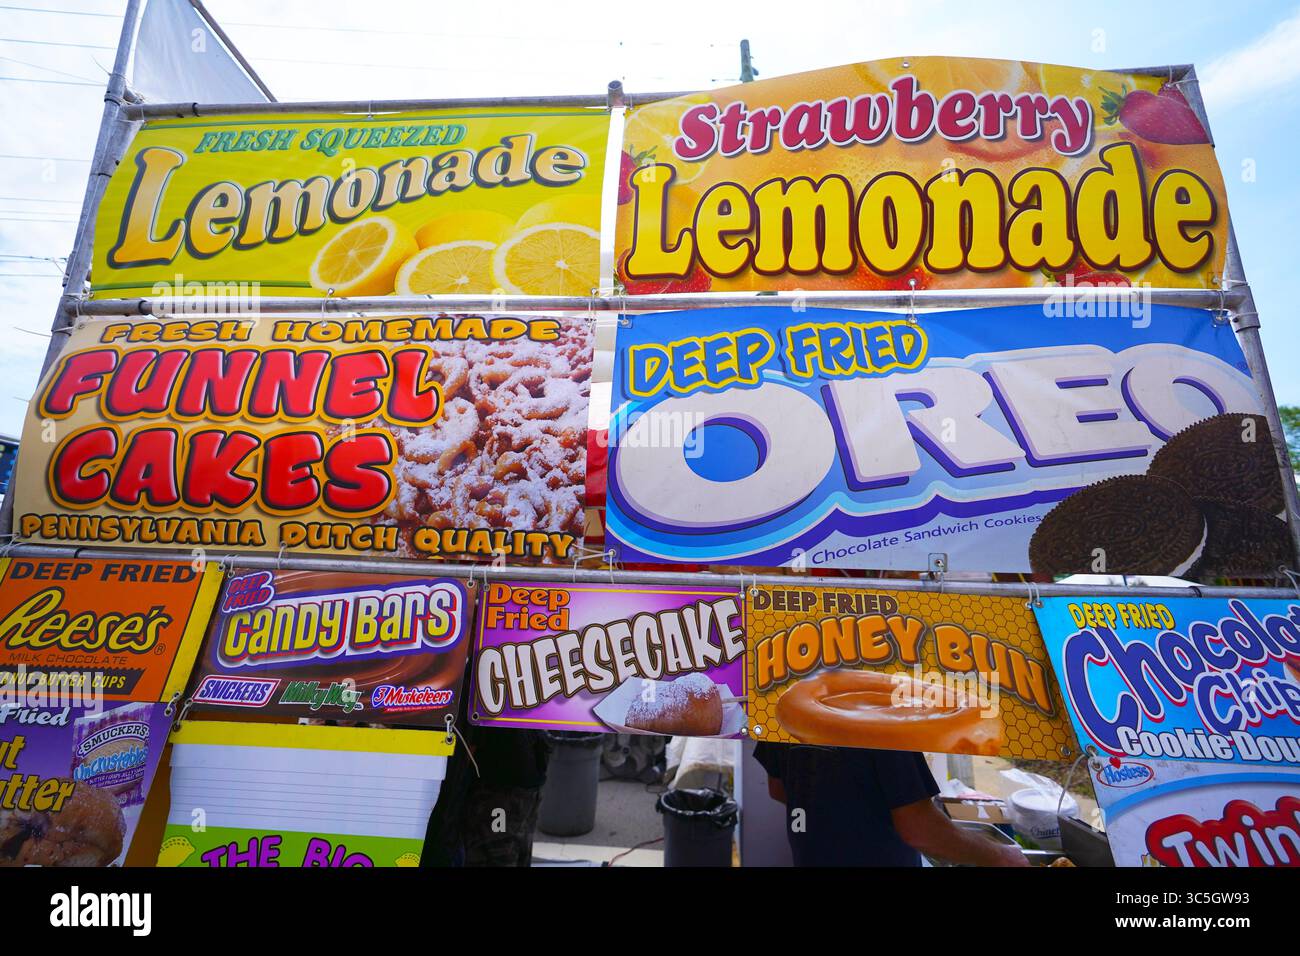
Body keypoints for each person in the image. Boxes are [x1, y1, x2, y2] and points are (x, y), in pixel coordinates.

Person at [753, 742, 1029, 867]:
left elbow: (778, 789)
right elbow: (918, 828)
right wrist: (999, 857)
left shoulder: (784, 694)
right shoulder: (880, 710)